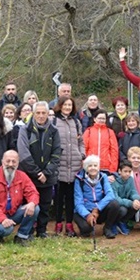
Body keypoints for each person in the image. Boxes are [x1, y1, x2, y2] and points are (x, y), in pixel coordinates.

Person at [18, 102, 62, 238]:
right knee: (29, 204)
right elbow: (24, 155)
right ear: (33, 113)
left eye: (44, 113)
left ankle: (42, 231)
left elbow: (56, 154)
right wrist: (37, 173)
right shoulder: (25, 130)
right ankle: (28, 230)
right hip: (30, 176)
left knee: (45, 204)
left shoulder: (54, 131)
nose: (41, 116)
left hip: (48, 176)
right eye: (38, 113)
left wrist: (46, 173)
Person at [0, 150, 40, 246]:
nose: (10, 164)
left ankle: (21, 236)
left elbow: (33, 192)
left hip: (13, 213)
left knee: (35, 208)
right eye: (8, 161)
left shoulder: (22, 176)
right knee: (7, 230)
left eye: (14, 162)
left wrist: (32, 203)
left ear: (18, 163)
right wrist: (2, 219)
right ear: (2, 161)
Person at [52, 97, 84, 237]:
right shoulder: (53, 121)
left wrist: (81, 154)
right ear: (60, 106)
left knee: (71, 197)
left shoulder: (76, 122)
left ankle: (70, 224)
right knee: (59, 197)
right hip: (60, 164)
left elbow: (81, 141)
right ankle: (58, 224)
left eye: (70, 105)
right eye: (65, 104)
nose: (67, 107)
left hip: (74, 164)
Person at [74, 155, 122, 239]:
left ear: (98, 167)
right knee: (86, 230)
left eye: (95, 165)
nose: (93, 168)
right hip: (86, 209)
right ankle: (86, 228)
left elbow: (110, 195)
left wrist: (97, 208)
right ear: (86, 167)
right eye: (90, 166)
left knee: (115, 204)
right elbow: (78, 203)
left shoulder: (103, 177)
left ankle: (107, 228)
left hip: (99, 210)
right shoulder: (79, 179)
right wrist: (88, 215)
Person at [110, 161, 140, 235]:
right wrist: (130, 203)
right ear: (119, 171)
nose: (127, 173)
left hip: (126, 202)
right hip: (117, 205)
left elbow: (133, 191)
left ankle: (122, 222)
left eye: (129, 171)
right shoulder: (114, 182)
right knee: (123, 210)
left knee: (136, 207)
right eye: (125, 171)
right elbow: (115, 198)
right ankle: (113, 223)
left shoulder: (130, 179)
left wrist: (136, 199)